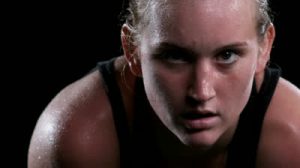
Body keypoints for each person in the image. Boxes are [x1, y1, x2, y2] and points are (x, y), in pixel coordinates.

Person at [28, 0, 300, 167]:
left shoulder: (293, 140)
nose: (201, 92)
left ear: (265, 47)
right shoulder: (79, 139)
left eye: (226, 55)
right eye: (175, 56)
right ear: (132, 49)